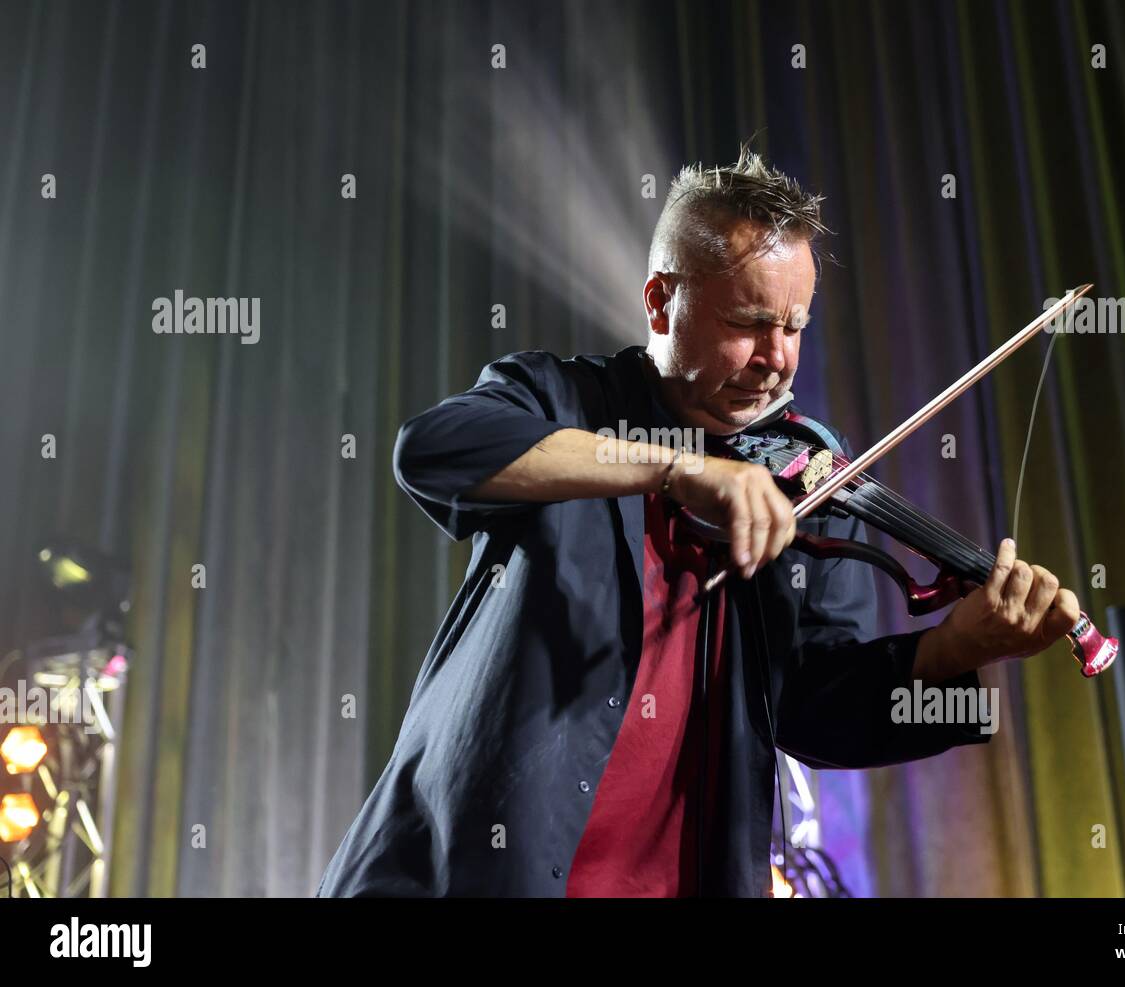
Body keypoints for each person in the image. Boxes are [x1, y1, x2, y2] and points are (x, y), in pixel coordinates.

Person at [317, 147, 1080, 898]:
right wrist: (678, 467)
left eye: (795, 324)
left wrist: (957, 647)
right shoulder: (564, 400)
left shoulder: (810, 468)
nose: (776, 359)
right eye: (750, 322)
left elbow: (815, 711)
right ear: (660, 301)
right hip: (473, 872)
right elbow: (432, 449)